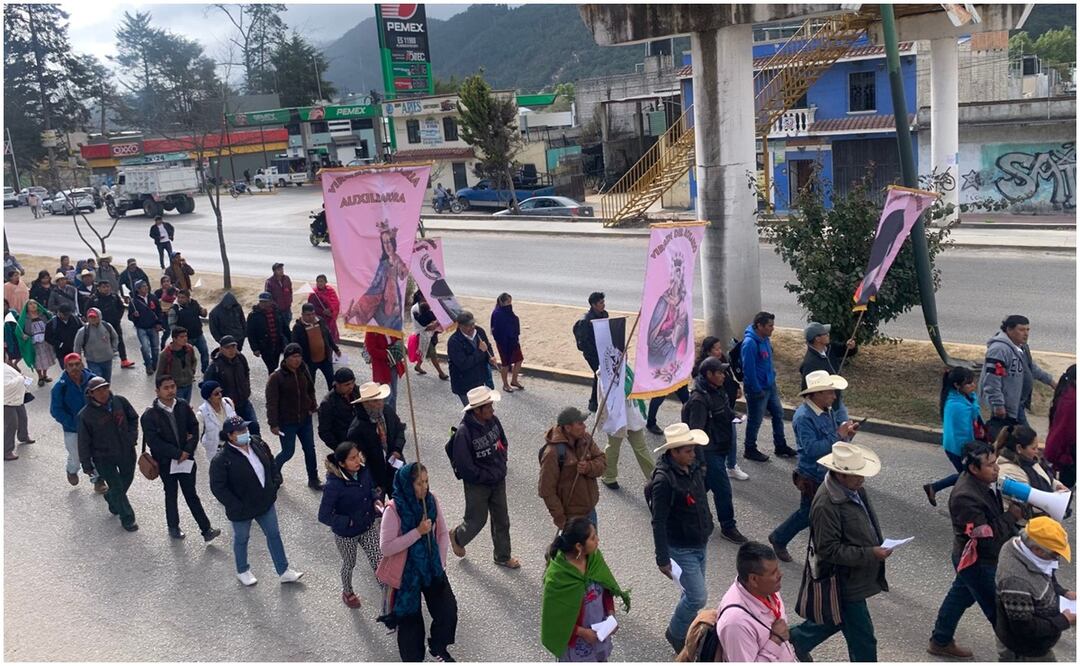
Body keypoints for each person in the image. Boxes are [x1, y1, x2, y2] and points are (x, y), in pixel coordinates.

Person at [789, 442, 888, 663]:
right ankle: (791, 641)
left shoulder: (855, 489)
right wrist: (870, 554)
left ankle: (791, 642)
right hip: (843, 582)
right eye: (856, 475)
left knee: (832, 620)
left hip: (853, 579)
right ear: (840, 475)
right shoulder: (826, 504)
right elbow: (829, 550)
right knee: (863, 640)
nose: (862, 479)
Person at [927, 440, 1022, 659]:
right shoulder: (965, 497)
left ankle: (940, 640)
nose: (996, 468)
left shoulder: (983, 481)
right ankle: (1018, 655)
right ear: (973, 468)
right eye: (990, 465)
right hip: (978, 561)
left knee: (961, 595)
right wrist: (1011, 516)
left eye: (995, 463)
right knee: (998, 612)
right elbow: (986, 536)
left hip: (973, 558)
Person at [768, 370, 858, 563]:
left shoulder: (827, 410)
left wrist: (848, 434)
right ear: (816, 394)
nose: (834, 396)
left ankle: (785, 539)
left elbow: (834, 439)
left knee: (815, 514)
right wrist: (839, 435)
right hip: (812, 475)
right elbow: (812, 449)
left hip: (826, 471)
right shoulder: (803, 417)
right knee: (810, 514)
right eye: (830, 392)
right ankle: (781, 539)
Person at [208, 416, 303, 586]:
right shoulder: (221, 460)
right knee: (242, 538)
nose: (245, 433)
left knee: (274, 535)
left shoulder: (257, 443)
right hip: (242, 509)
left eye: (245, 429)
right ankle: (242, 570)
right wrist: (236, 504)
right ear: (230, 436)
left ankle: (284, 571)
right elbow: (218, 488)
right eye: (240, 431)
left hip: (265, 502)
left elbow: (271, 463)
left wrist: (274, 484)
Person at [377, 462, 458, 662]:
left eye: (426, 481)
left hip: (431, 567)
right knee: (411, 627)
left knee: (447, 611)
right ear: (407, 484)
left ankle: (438, 647)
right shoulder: (393, 510)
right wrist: (417, 532)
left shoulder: (431, 501)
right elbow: (386, 547)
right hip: (406, 575)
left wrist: (440, 563)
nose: (425, 487)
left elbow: (442, 534)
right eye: (419, 483)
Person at [649, 423, 714, 653]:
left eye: (693, 449)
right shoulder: (664, 481)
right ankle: (676, 633)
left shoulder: (693, 466)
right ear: (673, 452)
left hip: (699, 542)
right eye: (687, 450)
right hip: (681, 547)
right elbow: (658, 521)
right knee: (697, 597)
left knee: (691, 594)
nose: (693, 454)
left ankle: (687, 628)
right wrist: (662, 558)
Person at [141, 374, 222, 542]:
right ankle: (173, 526)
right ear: (157, 391)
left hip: (187, 461)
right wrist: (177, 454)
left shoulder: (183, 406)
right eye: (166, 388)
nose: (170, 391)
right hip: (166, 463)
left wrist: (187, 451)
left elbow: (194, 427)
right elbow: (154, 442)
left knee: (191, 494)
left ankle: (206, 529)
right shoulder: (150, 416)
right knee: (171, 494)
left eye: (173, 386)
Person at [540, 517, 631, 661]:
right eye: (593, 538)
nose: (598, 540)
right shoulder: (558, 576)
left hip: (598, 636)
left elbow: (606, 590)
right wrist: (582, 632)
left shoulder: (594, 559)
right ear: (578, 546)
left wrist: (611, 615)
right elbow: (556, 619)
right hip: (576, 645)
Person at [448, 386, 519, 569]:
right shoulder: (464, 433)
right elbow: (465, 467)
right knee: (476, 520)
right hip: (478, 485)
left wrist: (502, 462)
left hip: (498, 479)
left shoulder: (493, 420)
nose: (492, 409)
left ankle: (503, 556)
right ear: (477, 410)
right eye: (488, 406)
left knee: (502, 519)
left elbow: (503, 441)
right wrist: (485, 476)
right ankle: (457, 536)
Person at [682, 357, 748, 545]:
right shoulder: (699, 400)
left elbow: (724, 410)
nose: (723, 375)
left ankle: (684, 508)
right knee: (723, 490)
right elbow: (697, 433)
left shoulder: (717, 390)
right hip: (710, 452)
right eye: (719, 372)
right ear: (708, 375)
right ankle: (728, 526)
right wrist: (701, 462)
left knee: (701, 487)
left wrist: (735, 416)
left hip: (721, 447)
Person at [994, 517, 1076, 661]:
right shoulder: (1016, 582)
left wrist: (1064, 592)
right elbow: (1024, 627)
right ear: (1037, 549)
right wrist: (1064, 620)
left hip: (1035, 645)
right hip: (1025, 650)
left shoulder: (1019, 546)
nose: (1056, 560)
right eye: (1055, 554)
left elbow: (1047, 575)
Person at [318, 441, 383, 609]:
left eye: (358, 456)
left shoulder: (363, 472)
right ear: (341, 463)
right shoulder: (334, 485)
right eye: (352, 458)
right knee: (349, 563)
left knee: (379, 561)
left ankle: (388, 593)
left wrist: (376, 500)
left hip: (367, 527)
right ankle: (347, 592)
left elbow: (370, 490)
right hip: (346, 534)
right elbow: (324, 515)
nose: (357, 461)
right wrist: (348, 521)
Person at [715, 541, 798, 662]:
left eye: (778, 569)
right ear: (753, 579)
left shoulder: (768, 590)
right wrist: (775, 641)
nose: (780, 574)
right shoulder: (736, 623)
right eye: (773, 573)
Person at [77, 377, 140, 532]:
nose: (103, 392)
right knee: (117, 486)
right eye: (98, 390)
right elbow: (83, 442)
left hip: (126, 450)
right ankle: (127, 518)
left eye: (105, 388)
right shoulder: (85, 415)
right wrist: (86, 464)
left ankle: (111, 498)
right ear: (91, 393)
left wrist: (132, 436)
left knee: (127, 478)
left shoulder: (119, 401)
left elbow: (133, 417)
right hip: (103, 457)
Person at [980, 315, 1056, 434]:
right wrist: (998, 405)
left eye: (1027, 330)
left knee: (1014, 439)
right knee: (1024, 438)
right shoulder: (999, 350)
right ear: (1009, 330)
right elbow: (992, 381)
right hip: (1005, 406)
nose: (1026, 333)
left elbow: (1031, 368)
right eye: (1021, 330)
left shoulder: (1021, 347)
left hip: (1017, 404)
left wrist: (1051, 382)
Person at [924, 366, 984, 506]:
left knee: (968, 476)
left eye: (973, 382)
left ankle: (935, 487)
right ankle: (962, 501)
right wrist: (973, 451)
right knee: (970, 476)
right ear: (957, 385)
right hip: (958, 449)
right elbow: (966, 430)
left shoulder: (959, 397)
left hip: (955, 446)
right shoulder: (957, 405)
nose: (973, 385)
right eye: (969, 383)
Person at [540, 407, 607, 529]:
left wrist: (589, 467)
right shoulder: (552, 453)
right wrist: (561, 519)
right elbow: (546, 490)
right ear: (568, 428)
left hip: (590, 511)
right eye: (580, 423)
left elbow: (602, 461)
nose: (585, 427)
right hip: (571, 518)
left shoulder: (586, 439)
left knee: (592, 547)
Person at [266, 343, 322, 490]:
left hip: (305, 419)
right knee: (288, 452)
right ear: (286, 358)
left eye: (299, 356)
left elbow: (310, 389)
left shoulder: (304, 369)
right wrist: (273, 424)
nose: (297, 360)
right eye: (293, 357)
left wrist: (312, 406)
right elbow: (272, 402)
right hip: (287, 422)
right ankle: (274, 471)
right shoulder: (276, 377)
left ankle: (313, 479)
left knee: (310, 449)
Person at [741, 312, 796, 462]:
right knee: (755, 420)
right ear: (760, 326)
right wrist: (756, 389)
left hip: (770, 386)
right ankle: (749, 449)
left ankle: (780, 445)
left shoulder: (765, 339)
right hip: (757, 390)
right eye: (770, 325)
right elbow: (749, 370)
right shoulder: (750, 344)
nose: (773, 328)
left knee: (778, 414)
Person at [49, 353, 105, 490]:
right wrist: (73, 423)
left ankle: (98, 480)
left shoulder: (94, 381)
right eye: (70, 365)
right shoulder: (60, 387)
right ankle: (72, 469)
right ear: (65, 367)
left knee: (96, 454)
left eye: (77, 364)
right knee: (77, 456)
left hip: (94, 427)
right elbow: (56, 410)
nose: (74, 367)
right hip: (73, 429)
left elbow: (105, 399)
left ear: (82, 364)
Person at [994, 425, 1069, 523]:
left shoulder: (1028, 460)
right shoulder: (1009, 472)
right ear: (1019, 448)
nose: (1037, 451)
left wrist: (1057, 485)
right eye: (1033, 448)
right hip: (1025, 526)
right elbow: (1031, 502)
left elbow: (1043, 476)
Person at [598, 366, 654, 490]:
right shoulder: (605, 372)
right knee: (613, 447)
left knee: (641, 448)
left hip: (632, 417)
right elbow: (607, 396)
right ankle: (609, 476)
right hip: (616, 418)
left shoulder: (626, 366)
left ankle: (654, 477)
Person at [346, 381, 406, 498]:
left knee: (400, 504)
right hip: (375, 475)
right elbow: (360, 459)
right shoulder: (357, 429)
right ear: (365, 404)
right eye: (375, 401)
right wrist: (370, 481)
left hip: (394, 467)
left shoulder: (388, 411)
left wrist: (397, 450)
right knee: (378, 510)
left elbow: (399, 430)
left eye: (381, 399)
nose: (380, 403)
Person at [203, 335, 260, 436]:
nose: (231, 350)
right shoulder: (215, 366)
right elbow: (206, 386)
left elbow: (246, 373)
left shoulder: (241, 359)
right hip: (227, 407)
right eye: (227, 348)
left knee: (254, 427)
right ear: (221, 349)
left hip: (244, 402)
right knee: (236, 434)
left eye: (233, 347)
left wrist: (246, 390)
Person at [799, 322, 854, 418]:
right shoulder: (810, 363)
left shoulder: (829, 348)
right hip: (826, 406)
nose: (828, 335)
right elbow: (807, 389)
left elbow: (845, 351)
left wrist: (849, 347)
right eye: (825, 334)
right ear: (817, 339)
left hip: (836, 399)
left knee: (844, 428)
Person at [446, 310, 497, 407]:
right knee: (472, 412)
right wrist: (480, 352)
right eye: (468, 325)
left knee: (484, 409)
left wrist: (490, 357)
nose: (472, 327)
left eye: (473, 324)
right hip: (464, 385)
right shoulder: (454, 342)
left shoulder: (479, 332)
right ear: (460, 326)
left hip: (480, 379)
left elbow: (487, 346)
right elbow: (463, 364)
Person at [573, 292, 608, 413]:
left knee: (599, 375)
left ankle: (595, 402)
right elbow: (584, 343)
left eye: (603, 302)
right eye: (600, 303)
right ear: (593, 305)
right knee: (600, 374)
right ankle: (594, 403)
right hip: (592, 354)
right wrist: (595, 352)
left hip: (602, 351)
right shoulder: (586, 321)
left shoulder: (604, 314)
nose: (603, 305)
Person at [291, 303, 340, 390]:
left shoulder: (320, 321)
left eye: (313, 314)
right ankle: (311, 403)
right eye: (308, 315)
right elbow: (295, 345)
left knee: (332, 382)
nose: (311, 316)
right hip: (309, 361)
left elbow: (328, 336)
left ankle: (333, 402)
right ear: (302, 315)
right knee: (309, 385)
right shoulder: (298, 328)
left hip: (325, 359)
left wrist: (335, 349)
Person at [88, 280, 133, 370]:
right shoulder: (93, 299)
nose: (106, 289)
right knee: (100, 342)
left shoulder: (114, 296)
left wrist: (118, 318)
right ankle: (100, 360)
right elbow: (88, 310)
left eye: (107, 286)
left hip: (115, 323)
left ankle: (124, 360)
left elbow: (121, 307)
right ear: (99, 288)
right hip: (100, 325)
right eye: (103, 287)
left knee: (119, 340)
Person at [1045, 365, 1076, 489]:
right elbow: (1061, 431)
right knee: (1065, 487)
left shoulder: (1068, 395)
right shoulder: (1071, 402)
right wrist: (1051, 456)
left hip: (1069, 453)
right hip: (1070, 454)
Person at [247, 292, 290, 374]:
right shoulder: (254, 315)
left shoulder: (277, 312)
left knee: (276, 365)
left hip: (277, 343)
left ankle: (275, 382)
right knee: (271, 367)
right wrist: (255, 348)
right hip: (264, 346)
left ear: (271, 301)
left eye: (266, 302)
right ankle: (273, 384)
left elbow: (285, 328)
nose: (263, 304)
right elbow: (250, 333)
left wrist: (290, 341)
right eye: (262, 302)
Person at [317, 368, 360, 451]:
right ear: (337, 385)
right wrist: (339, 448)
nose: (351, 387)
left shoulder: (357, 391)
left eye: (352, 383)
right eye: (347, 384)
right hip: (344, 443)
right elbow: (324, 431)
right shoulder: (328, 403)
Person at [169, 289, 210, 373]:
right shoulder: (174, 308)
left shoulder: (194, 303)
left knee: (205, 353)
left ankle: (205, 371)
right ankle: (189, 373)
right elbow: (171, 325)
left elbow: (202, 313)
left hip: (198, 334)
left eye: (183, 297)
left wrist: (204, 312)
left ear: (188, 298)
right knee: (187, 357)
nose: (180, 299)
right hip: (185, 338)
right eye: (179, 297)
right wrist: (178, 337)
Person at [127, 280, 163, 376]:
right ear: (138, 289)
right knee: (145, 348)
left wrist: (159, 323)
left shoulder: (153, 298)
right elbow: (129, 316)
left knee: (155, 348)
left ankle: (154, 364)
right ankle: (148, 365)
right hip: (141, 328)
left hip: (153, 327)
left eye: (146, 285)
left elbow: (159, 311)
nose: (146, 288)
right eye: (143, 286)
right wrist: (134, 315)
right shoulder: (134, 301)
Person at [16, 299, 55, 386]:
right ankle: (40, 376)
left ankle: (45, 375)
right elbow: (18, 331)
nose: (33, 305)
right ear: (27, 307)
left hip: (45, 341)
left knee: (46, 359)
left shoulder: (43, 315)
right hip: (33, 343)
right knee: (37, 361)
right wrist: (23, 336)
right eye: (30, 304)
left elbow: (51, 323)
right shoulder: (24, 318)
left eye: (35, 303)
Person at [73, 308, 118, 383]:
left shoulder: (107, 326)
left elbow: (115, 337)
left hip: (107, 359)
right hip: (93, 361)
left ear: (99, 317)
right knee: (97, 381)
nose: (92, 319)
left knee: (107, 381)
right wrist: (78, 361)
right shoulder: (83, 331)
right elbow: (77, 346)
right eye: (90, 317)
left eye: (94, 317)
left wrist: (113, 349)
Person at [490, 293, 524, 393]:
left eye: (510, 302)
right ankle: (505, 384)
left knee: (519, 359)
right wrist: (503, 341)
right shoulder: (497, 313)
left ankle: (514, 380)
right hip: (503, 343)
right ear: (502, 302)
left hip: (513, 340)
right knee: (505, 364)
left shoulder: (507, 311)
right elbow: (496, 331)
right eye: (508, 302)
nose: (510, 304)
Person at [410, 292, 448, 380]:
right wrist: (433, 325)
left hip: (431, 333)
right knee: (432, 353)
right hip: (423, 335)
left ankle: (418, 366)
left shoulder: (428, 305)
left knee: (424, 351)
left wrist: (435, 325)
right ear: (421, 297)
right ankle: (441, 373)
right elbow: (419, 325)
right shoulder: (415, 309)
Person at [365, 331, 405, 412]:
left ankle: (393, 417)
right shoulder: (372, 330)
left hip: (393, 363)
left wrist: (399, 345)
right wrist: (387, 354)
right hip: (381, 366)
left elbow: (397, 338)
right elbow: (371, 350)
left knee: (394, 394)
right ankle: (381, 415)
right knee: (387, 395)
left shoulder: (391, 326)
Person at [196, 380, 235, 462]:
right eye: (216, 394)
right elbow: (197, 435)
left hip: (233, 445)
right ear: (208, 397)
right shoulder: (201, 414)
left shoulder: (228, 403)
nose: (220, 395)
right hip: (216, 451)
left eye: (220, 392)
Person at [157, 326, 197, 403]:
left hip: (188, 384)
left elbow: (194, 361)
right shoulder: (165, 354)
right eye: (181, 337)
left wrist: (192, 371)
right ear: (174, 339)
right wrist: (160, 391)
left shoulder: (189, 349)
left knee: (186, 406)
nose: (185, 339)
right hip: (175, 387)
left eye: (186, 336)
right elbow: (160, 373)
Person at [3, 362, 33, 461]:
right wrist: (21, 379)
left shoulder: (5, 366)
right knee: (11, 425)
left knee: (22, 418)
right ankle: (6, 451)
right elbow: (6, 386)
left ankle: (23, 436)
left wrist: (22, 378)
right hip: (7, 401)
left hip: (16, 397)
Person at [44, 303, 81, 371]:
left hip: (75, 349)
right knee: (67, 370)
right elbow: (47, 337)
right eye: (64, 315)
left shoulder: (75, 319)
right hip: (62, 352)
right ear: (59, 312)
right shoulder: (52, 323)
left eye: (68, 314)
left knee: (78, 369)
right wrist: (59, 344)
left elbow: (81, 331)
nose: (66, 316)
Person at [308, 274, 341, 343]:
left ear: (325, 282)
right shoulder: (313, 293)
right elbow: (311, 306)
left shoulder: (331, 291)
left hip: (329, 319)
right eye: (318, 281)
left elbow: (336, 303)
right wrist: (322, 311)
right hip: (318, 319)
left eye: (321, 281)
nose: (319, 283)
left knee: (330, 338)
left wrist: (330, 310)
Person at [155, 275, 178, 350]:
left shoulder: (175, 291)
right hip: (163, 314)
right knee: (167, 330)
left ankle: (173, 345)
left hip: (173, 314)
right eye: (164, 282)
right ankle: (162, 344)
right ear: (161, 283)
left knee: (172, 331)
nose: (166, 283)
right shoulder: (158, 292)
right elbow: (155, 303)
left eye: (168, 281)